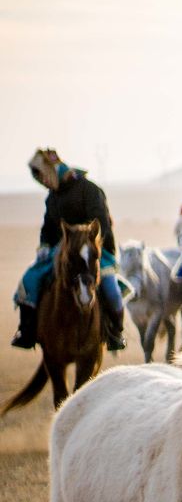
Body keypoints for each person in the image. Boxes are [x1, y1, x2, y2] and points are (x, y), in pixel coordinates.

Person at [14, 148, 125, 352]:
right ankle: (27, 331)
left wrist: (82, 237)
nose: (43, 182)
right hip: (61, 252)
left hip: (92, 251)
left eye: (43, 177)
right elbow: (47, 227)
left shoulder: (89, 189)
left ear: (52, 171)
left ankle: (115, 332)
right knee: (29, 280)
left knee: (111, 290)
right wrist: (45, 245)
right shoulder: (52, 197)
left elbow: (101, 224)